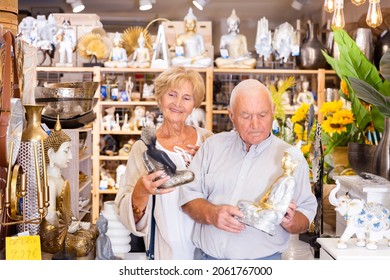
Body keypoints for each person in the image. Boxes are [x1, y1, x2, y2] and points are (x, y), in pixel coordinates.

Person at [179, 79, 317, 260]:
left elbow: (305, 217)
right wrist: (212, 214)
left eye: (262, 114)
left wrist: (291, 221)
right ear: (231, 115)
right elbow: (188, 199)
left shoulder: (291, 158)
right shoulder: (212, 147)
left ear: (273, 111)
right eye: (246, 116)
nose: (255, 124)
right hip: (206, 260)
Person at [114, 66, 213, 259]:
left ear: (194, 104)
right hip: (165, 253)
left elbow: (226, 191)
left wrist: (209, 165)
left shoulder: (209, 141)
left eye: (186, 98)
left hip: (207, 250)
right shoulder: (143, 148)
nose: (177, 103)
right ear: (160, 98)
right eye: (172, 95)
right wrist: (141, 192)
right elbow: (127, 214)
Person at [40, 117, 97, 258]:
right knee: (82, 244)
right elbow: (50, 217)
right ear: (51, 154)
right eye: (66, 151)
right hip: (52, 236)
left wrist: (74, 223)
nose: (71, 156)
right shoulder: (50, 181)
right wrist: (68, 228)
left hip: (65, 229)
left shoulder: (62, 179)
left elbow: (66, 211)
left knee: (93, 230)